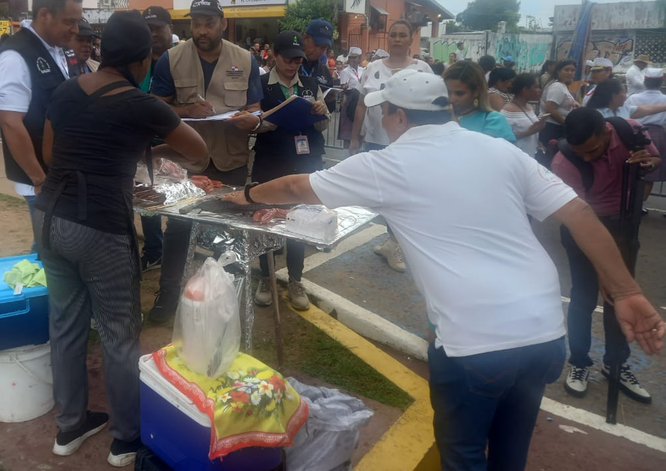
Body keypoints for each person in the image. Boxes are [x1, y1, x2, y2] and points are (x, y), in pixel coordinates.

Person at [223, 69, 665, 471]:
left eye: (386, 114)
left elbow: (297, 186)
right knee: (510, 454)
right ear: (445, 110)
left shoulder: (387, 165)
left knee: (463, 456)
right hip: (543, 333)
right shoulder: (498, 151)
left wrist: (246, 196)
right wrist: (626, 292)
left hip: (474, 342)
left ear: (396, 116)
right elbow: (580, 214)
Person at [35, 11, 207, 466]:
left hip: (50, 219)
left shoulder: (66, 89)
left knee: (66, 324)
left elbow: (53, 155)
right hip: (100, 228)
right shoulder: (140, 102)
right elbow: (200, 152)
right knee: (118, 332)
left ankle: (69, 427)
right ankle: (126, 439)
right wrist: (146, 145)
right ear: (143, 59)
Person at [148, 0, 263, 323]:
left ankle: (225, 296)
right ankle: (169, 293)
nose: (201, 30)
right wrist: (185, 111)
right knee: (179, 229)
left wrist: (251, 119)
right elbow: (156, 109)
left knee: (227, 231)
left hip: (231, 158)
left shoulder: (245, 59)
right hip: (187, 162)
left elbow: (255, 108)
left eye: (209, 24)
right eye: (196, 24)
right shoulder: (170, 60)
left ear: (223, 24)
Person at [551, 108, 660, 404]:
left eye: (593, 150)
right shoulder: (564, 162)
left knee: (619, 300)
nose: (586, 157)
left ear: (607, 133)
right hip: (583, 229)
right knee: (584, 298)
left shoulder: (631, 131)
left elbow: (655, 159)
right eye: (580, 153)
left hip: (625, 225)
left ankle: (616, 363)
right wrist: (605, 271)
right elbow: (579, 219)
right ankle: (579, 362)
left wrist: (649, 163)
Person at [0, 0, 83, 249]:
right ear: (45, 15)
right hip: (41, 180)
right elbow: (10, 123)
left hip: (62, 171)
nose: (75, 30)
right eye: (69, 21)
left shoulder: (59, 49)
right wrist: (38, 179)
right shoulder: (15, 56)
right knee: (51, 248)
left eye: (78, 22)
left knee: (55, 244)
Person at [252, 30, 329, 310]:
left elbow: (323, 125)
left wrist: (321, 112)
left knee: (300, 220)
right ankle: (266, 276)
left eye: (298, 60)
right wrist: (271, 119)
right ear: (274, 55)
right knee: (266, 218)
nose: (294, 65)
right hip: (271, 160)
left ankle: (296, 278)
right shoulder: (260, 84)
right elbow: (253, 123)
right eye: (288, 59)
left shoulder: (309, 84)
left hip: (303, 162)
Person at [349, 19, 432, 273]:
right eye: (393, 35)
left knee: (404, 196)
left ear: (410, 40)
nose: (397, 39)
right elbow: (362, 105)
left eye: (402, 35)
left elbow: (431, 109)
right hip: (376, 140)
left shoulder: (423, 69)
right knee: (382, 196)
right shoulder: (373, 67)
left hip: (411, 145)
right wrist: (355, 136)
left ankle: (395, 243)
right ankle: (392, 239)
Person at [136, 6, 175, 271]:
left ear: (170, 28)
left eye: (158, 28)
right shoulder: (139, 61)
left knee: (180, 204)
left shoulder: (180, 60)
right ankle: (154, 249)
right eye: (148, 29)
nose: (153, 34)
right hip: (143, 145)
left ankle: (175, 252)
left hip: (175, 144)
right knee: (146, 201)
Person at [443, 61, 515, 142]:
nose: (451, 99)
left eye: (460, 94)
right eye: (447, 92)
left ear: (477, 91)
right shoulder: (438, 117)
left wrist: (455, 127)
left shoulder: (493, 120)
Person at [626, 67, 666, 208]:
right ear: (661, 82)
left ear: (645, 81)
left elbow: (627, 115)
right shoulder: (665, 99)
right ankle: (640, 205)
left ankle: (629, 201)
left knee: (632, 166)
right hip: (657, 133)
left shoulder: (634, 98)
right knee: (650, 169)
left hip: (636, 131)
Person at [501, 73, 546, 157]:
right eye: (536, 87)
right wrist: (528, 132)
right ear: (525, 89)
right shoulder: (508, 111)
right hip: (516, 158)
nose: (539, 90)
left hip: (530, 155)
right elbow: (502, 137)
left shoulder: (529, 107)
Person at [539, 59, 578, 147]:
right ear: (558, 71)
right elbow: (550, 109)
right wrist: (566, 124)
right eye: (566, 70)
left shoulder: (562, 85)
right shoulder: (557, 87)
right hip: (552, 128)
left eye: (572, 70)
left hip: (556, 127)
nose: (570, 73)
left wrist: (574, 103)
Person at [300, 19, 336, 106]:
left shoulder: (324, 72)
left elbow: (330, 109)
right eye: (316, 45)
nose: (319, 51)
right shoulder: (289, 65)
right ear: (305, 38)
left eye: (324, 47)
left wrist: (330, 100)